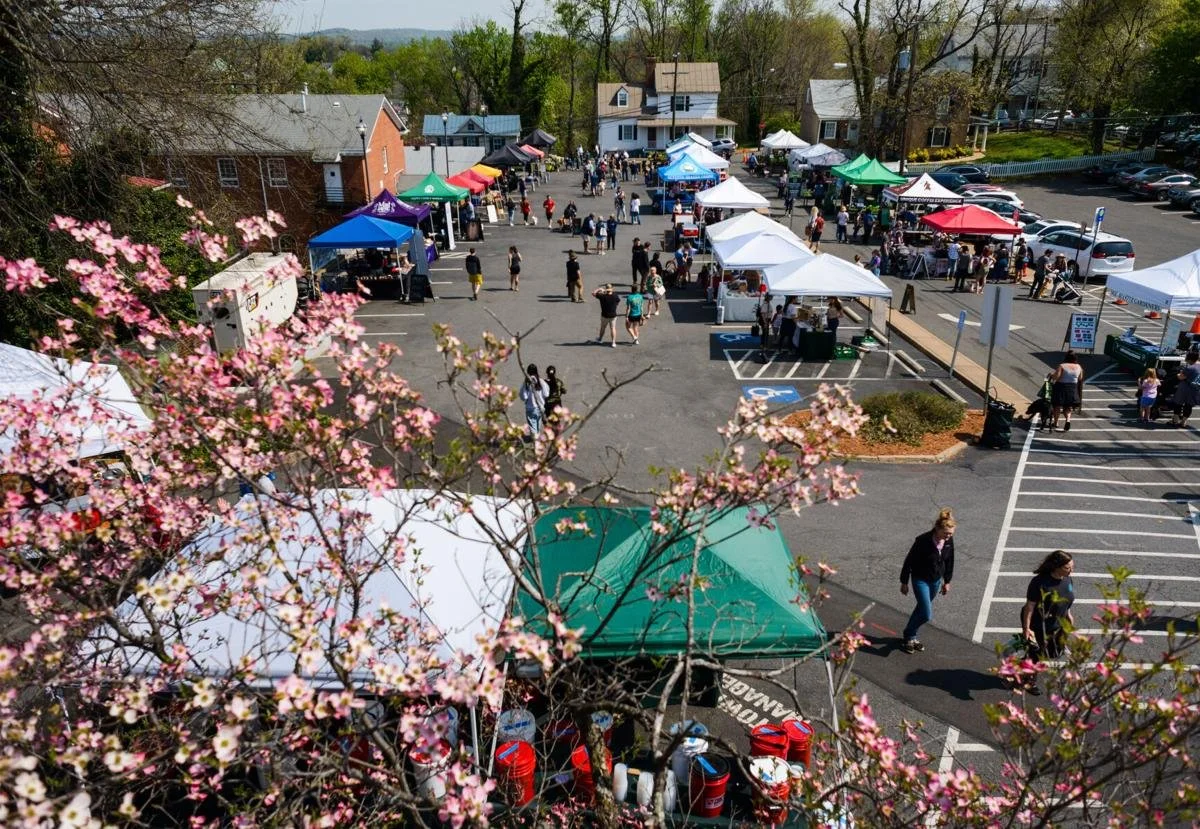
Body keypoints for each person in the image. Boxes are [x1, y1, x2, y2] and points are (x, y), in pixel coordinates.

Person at [899, 508, 956, 654]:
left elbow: (949, 561)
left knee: (921, 609)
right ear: (937, 529)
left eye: (951, 534)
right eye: (946, 533)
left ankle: (911, 637)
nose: (948, 536)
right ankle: (908, 633)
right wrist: (904, 582)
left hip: (935, 581)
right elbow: (909, 561)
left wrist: (947, 581)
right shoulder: (923, 541)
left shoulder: (948, 541)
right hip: (920, 580)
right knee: (926, 614)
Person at [1018, 550, 1075, 695]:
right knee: (1038, 655)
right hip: (1039, 625)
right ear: (1056, 567)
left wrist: (1069, 616)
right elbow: (1029, 607)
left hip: (1058, 624)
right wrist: (1026, 629)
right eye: (1068, 568)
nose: (1071, 570)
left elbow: (1067, 599)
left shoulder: (1068, 579)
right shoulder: (1039, 582)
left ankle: (1022, 664)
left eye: (1072, 567)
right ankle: (1028, 681)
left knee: (1054, 652)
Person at [1049, 350, 1084, 432]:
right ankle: (1068, 420)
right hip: (1072, 388)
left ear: (1066, 357)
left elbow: (1056, 377)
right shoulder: (1079, 367)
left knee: (1057, 406)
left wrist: (1051, 375)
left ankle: (1056, 422)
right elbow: (1080, 378)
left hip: (1061, 387)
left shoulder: (1062, 366)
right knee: (1067, 407)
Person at [519, 364, 549, 441]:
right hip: (540, 408)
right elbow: (546, 394)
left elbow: (524, 397)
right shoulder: (541, 381)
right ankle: (536, 438)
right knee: (537, 426)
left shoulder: (526, 383)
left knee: (533, 427)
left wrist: (525, 384)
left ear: (528, 372)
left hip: (531, 408)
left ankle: (536, 443)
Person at [1171, 350, 1200, 427]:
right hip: (1196, 389)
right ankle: (1183, 422)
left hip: (1185, 387)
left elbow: (1181, 377)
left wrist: (1178, 374)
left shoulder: (1190, 367)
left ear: (1190, 359)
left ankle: (1175, 420)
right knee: (1189, 406)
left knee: (1178, 403)